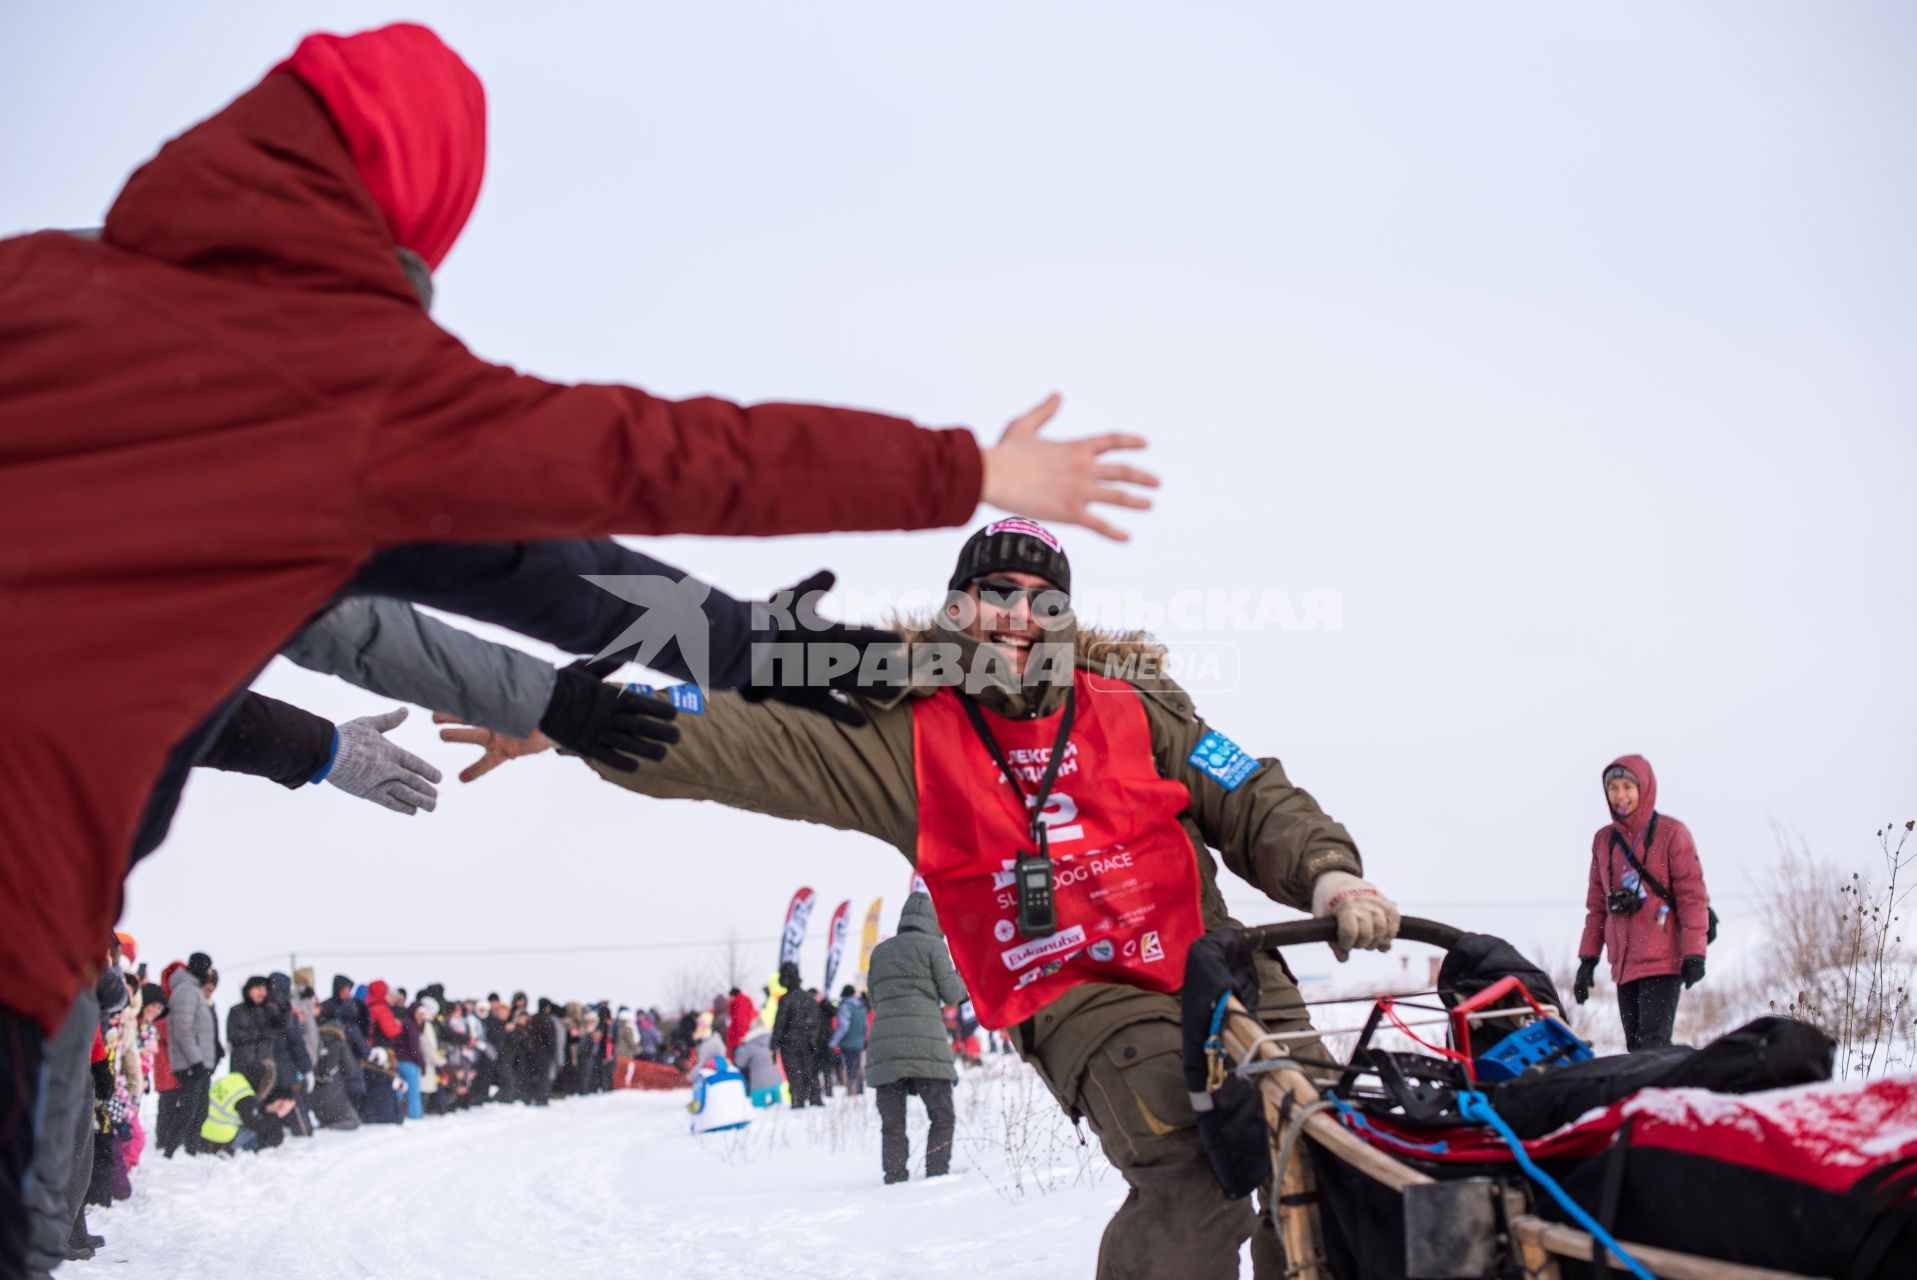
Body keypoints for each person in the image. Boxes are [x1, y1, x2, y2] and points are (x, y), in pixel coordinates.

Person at [0, 34, 1161, 1217]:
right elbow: (638, 479)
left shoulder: (29, 282)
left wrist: (540, 710)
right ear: (424, 200)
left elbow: (350, 618)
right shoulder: (352, 385)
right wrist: (951, 474)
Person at [441, 518, 1399, 1278]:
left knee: (1323, 1155)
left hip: (1220, 963)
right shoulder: (902, 729)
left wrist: (1330, 873)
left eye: (1039, 598)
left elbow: (1250, 790)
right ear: (958, 608)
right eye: (994, 593)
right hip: (1082, 996)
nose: (1016, 616)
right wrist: (559, 714)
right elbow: (743, 738)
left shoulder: (1140, 707)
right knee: (1197, 1170)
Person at [1574, 754, 1712, 1052]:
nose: (1620, 795)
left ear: (1643, 788)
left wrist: (1694, 953)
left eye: (1627, 787)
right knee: (1636, 1048)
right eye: (1614, 788)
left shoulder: (1671, 833)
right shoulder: (1604, 841)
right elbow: (1597, 907)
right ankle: (1648, 1097)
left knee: (1653, 1045)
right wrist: (1588, 960)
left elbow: (1692, 897)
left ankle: (1665, 1096)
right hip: (1624, 963)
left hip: (1662, 958)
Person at [866, 895, 969, 1183]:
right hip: (926, 1044)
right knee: (942, 1115)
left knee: (893, 1124)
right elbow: (952, 993)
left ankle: (895, 1176)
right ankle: (936, 1175)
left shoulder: (880, 951)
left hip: (884, 1046)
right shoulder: (934, 946)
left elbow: (874, 998)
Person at [162, 954, 217, 1158]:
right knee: (189, 1109)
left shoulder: (193, 991)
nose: (210, 973)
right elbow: (182, 1029)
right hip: (191, 1063)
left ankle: (190, 1150)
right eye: (209, 968)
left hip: (197, 1062)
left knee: (199, 1109)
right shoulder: (186, 991)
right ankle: (171, 1152)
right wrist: (196, 1060)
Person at [771, 963, 825, 1108]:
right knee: (809, 1071)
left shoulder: (786, 999)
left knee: (794, 1073)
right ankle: (815, 1098)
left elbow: (779, 1024)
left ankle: (797, 1100)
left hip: (790, 1043)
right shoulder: (809, 997)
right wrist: (813, 1039)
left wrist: (773, 1044)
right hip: (807, 1042)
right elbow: (816, 1022)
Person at [831, 986, 870, 1096]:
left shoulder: (845, 1006)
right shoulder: (862, 1006)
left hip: (847, 1042)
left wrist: (833, 1042)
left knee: (849, 1067)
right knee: (857, 1066)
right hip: (859, 1042)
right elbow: (865, 1025)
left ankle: (851, 1090)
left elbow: (843, 1026)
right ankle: (859, 1090)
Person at [725, 989, 757, 1056]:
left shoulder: (739, 1003)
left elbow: (740, 1022)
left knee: (739, 1057)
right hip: (744, 1035)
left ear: (733, 996)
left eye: (730, 997)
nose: (729, 999)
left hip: (739, 1037)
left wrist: (739, 1041)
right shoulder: (743, 1001)